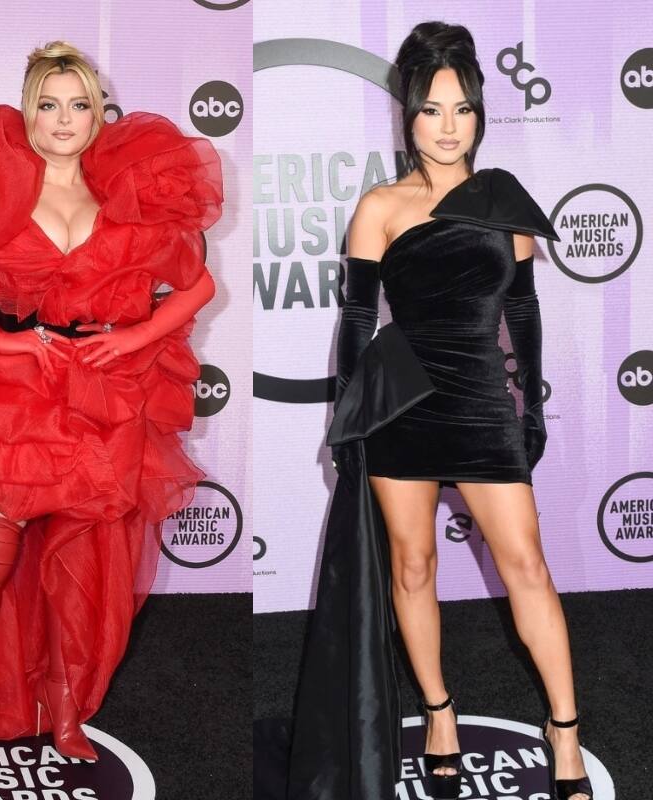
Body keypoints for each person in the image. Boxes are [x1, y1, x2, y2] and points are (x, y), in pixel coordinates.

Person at [0, 41, 222, 800]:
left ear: (98, 114)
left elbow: (196, 286)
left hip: (101, 399)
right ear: (27, 112)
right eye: (48, 104)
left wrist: (134, 339)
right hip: (9, 400)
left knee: (78, 568)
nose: (63, 119)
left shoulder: (129, 196)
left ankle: (64, 712)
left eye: (78, 104)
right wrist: (1, 342)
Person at [288, 22, 592, 800]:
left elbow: (523, 314)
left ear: (480, 113)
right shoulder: (380, 207)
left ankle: (565, 731)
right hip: (402, 405)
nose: (448, 126)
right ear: (408, 117)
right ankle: (439, 714)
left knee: (526, 565)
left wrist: (530, 407)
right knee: (413, 566)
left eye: (462, 108)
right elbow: (357, 321)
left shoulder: (501, 200)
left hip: (482, 400)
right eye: (431, 109)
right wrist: (346, 417)